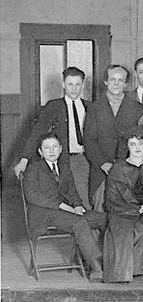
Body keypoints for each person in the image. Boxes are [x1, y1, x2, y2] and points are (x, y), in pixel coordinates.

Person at [22, 132, 106, 282]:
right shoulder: (33, 169)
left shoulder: (64, 167)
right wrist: (60, 205)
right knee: (80, 223)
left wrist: (78, 205)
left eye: (55, 147)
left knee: (103, 218)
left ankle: (107, 260)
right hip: (44, 215)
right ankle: (96, 268)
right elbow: (32, 195)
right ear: (40, 152)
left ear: (61, 149)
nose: (52, 150)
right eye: (47, 148)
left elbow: (72, 190)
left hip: (65, 212)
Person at [14, 67, 92, 209]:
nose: (74, 89)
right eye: (70, 84)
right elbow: (37, 133)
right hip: (66, 161)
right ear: (63, 85)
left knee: (92, 199)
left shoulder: (90, 107)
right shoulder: (54, 106)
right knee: (79, 201)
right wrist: (24, 159)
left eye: (77, 84)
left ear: (83, 85)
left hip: (88, 160)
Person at [102, 125, 143, 283]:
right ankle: (124, 272)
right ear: (126, 146)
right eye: (133, 144)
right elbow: (111, 199)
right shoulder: (118, 168)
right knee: (124, 231)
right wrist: (136, 209)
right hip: (123, 210)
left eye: (141, 144)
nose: (137, 148)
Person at [84, 64, 143, 203]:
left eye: (120, 80)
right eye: (112, 79)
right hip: (101, 172)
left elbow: (141, 140)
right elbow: (89, 141)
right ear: (106, 81)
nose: (116, 83)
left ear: (126, 84)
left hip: (129, 172)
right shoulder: (94, 108)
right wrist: (104, 164)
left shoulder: (136, 108)